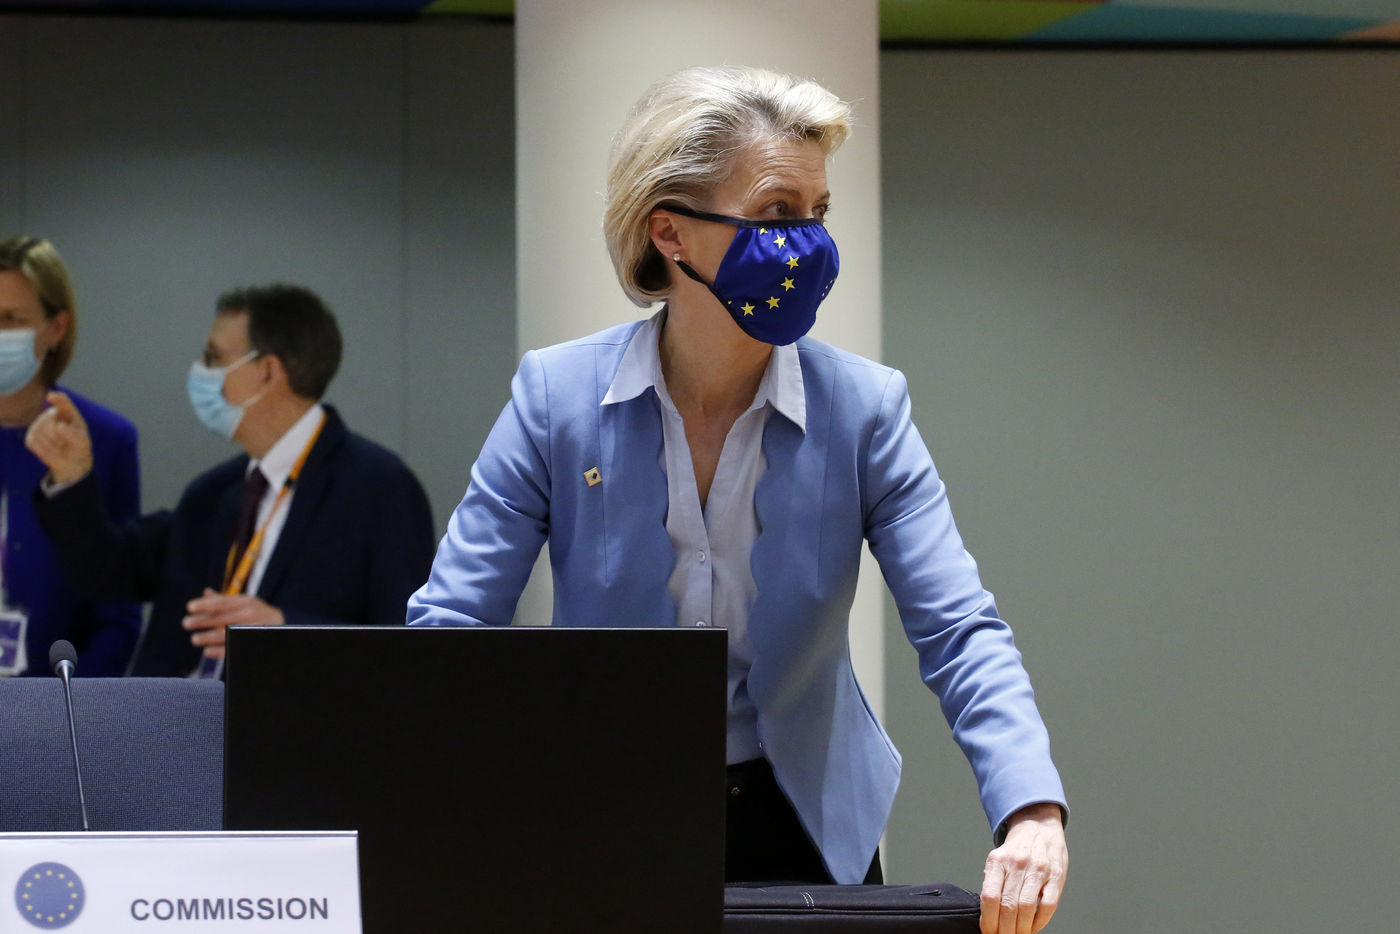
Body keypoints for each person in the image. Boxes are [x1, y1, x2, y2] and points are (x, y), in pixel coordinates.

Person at [407, 67, 1069, 933]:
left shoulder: (865, 409)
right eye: (776, 213)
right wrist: (438, 812)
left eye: (818, 213)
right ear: (670, 232)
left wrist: (1031, 808)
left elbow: (958, 628)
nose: (809, 244)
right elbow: (451, 629)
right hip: (606, 812)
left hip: (807, 821)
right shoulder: (555, 398)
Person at [27, 283, 436, 678]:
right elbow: (109, 570)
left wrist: (286, 632)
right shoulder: (214, 492)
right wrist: (70, 477)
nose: (200, 372)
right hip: (176, 715)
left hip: (287, 720)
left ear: (268, 372)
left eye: (214, 358)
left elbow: (408, 649)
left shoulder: (380, 488)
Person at [0, 236, 141, 677]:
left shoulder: (105, 439)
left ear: (56, 328)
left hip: (57, 700)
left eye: (10, 319)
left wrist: (70, 707)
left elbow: (118, 613)